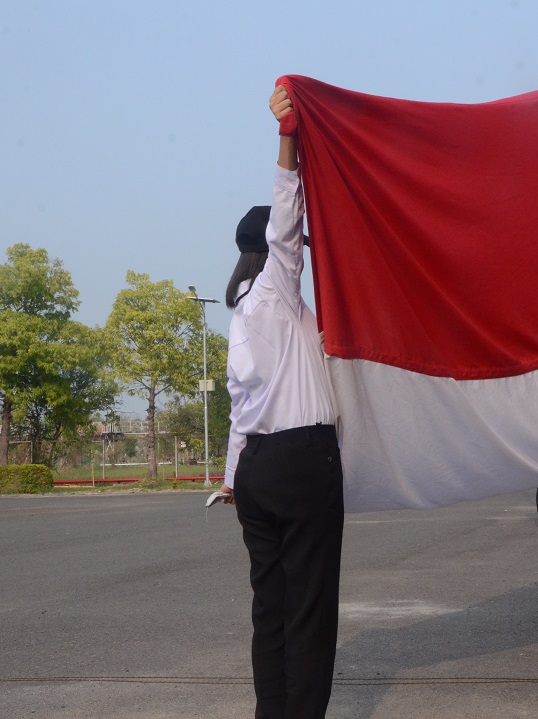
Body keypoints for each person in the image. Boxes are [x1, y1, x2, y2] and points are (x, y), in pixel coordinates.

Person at [220, 84, 344, 719]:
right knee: (309, 608)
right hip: (302, 461)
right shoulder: (279, 288)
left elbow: (241, 413)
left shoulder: (239, 319)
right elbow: (286, 210)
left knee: (269, 605)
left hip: (257, 473)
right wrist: (288, 136)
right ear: (270, 249)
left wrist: (230, 480)